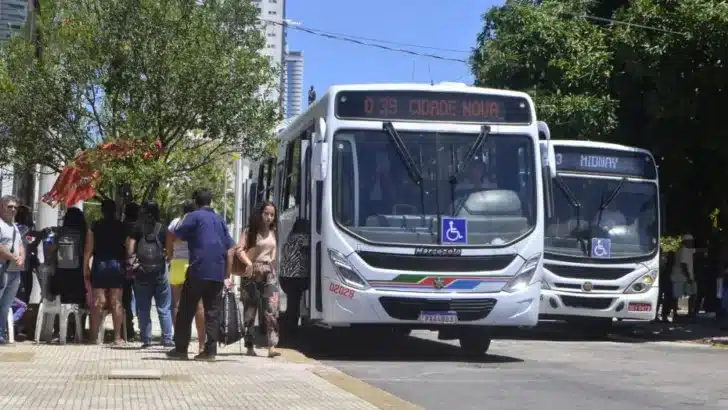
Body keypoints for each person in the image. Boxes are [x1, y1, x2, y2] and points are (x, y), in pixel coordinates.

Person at [167, 189, 234, 361]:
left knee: (186, 309)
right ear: (210, 202)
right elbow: (230, 249)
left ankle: (181, 350)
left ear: (195, 202)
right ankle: (210, 352)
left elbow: (178, 237)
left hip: (198, 269)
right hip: (218, 272)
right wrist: (227, 273)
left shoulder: (194, 216)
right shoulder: (220, 220)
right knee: (212, 311)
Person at [235, 201, 280, 358]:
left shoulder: (273, 231)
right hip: (252, 274)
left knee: (272, 310)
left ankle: (272, 346)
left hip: (269, 274)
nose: (269, 217)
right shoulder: (250, 232)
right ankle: (249, 346)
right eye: (266, 213)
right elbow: (239, 250)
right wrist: (249, 263)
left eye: (272, 215)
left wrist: (271, 261)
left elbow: (274, 249)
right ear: (260, 214)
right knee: (250, 311)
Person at [127, 200, 173, 348]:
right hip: (159, 271)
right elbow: (169, 249)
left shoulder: (138, 227)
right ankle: (167, 339)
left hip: (142, 272)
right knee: (164, 307)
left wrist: (132, 260)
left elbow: (130, 246)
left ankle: (146, 340)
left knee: (143, 308)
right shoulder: (163, 228)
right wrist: (167, 259)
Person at [84, 199, 127, 345]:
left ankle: (93, 337)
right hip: (117, 264)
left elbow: (89, 249)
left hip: (100, 264)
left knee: (98, 302)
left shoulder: (95, 226)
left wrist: (85, 266)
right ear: (115, 211)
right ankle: (117, 337)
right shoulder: (122, 226)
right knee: (116, 302)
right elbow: (127, 248)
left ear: (102, 211)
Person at [167, 200, 205, 351]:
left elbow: (168, 244)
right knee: (198, 306)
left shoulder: (175, 223)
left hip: (177, 264)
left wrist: (171, 258)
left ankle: (180, 343)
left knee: (177, 305)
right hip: (194, 265)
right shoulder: (197, 222)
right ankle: (202, 344)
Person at [278, 218, 310, 342]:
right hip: (295, 278)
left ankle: (289, 327)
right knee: (293, 306)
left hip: (285, 278)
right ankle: (290, 330)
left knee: (293, 304)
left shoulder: (290, 238)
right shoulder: (302, 238)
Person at [49, 207, 87, 307]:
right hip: (78, 272)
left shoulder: (60, 233)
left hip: (61, 271)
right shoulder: (84, 233)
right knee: (78, 302)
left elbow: (52, 250)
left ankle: (61, 320)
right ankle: (76, 321)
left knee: (62, 300)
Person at [0, 195, 23, 344]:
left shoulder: (14, 226)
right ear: (2, 206)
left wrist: (22, 257)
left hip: (14, 271)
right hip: (2, 268)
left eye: (15, 207)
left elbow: (20, 245)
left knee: (6, 304)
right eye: (10, 206)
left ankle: (0, 334)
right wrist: (13, 257)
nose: (13, 209)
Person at [122, 202, 139, 341]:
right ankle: (144, 330)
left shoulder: (121, 227)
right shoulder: (141, 228)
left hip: (123, 267)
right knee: (142, 299)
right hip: (139, 267)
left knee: (125, 300)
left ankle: (128, 329)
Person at [671, 234, 697, 321]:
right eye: (691, 241)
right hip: (682, 277)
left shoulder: (684, 250)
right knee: (688, 295)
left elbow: (696, 250)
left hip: (680, 277)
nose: (692, 243)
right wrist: (689, 277)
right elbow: (683, 265)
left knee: (678, 296)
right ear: (686, 242)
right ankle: (688, 314)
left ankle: (677, 314)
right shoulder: (684, 250)